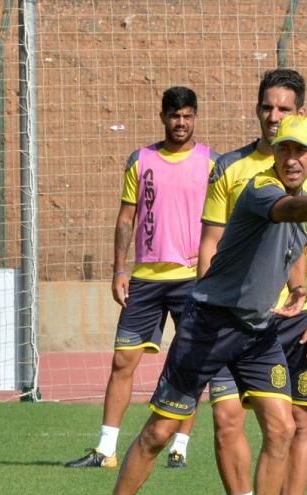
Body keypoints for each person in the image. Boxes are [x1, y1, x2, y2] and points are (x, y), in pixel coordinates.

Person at [72, 114, 307, 495]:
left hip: (256, 329)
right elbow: (293, 213)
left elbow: (295, 240)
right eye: (284, 148)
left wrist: (298, 284)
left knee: (282, 426)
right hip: (208, 324)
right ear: (274, 151)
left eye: (301, 150)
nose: (292, 158)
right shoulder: (263, 189)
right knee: (158, 433)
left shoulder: (306, 194)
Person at [199, 69, 307, 495]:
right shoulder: (230, 167)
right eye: (267, 106)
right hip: (235, 318)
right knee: (226, 419)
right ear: (256, 108)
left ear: (299, 115)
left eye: (284, 109)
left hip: (302, 320)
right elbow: (210, 244)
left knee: (297, 424)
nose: (273, 116)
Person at [65, 86, 219, 470]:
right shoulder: (141, 160)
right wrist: (119, 270)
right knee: (122, 362)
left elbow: (222, 224)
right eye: (174, 115)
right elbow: (125, 219)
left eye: (187, 115)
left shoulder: (213, 163)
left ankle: (179, 446)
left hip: (192, 280)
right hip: (146, 279)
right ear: (163, 117)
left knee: (190, 363)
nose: (180, 122)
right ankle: (105, 450)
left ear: (195, 117)